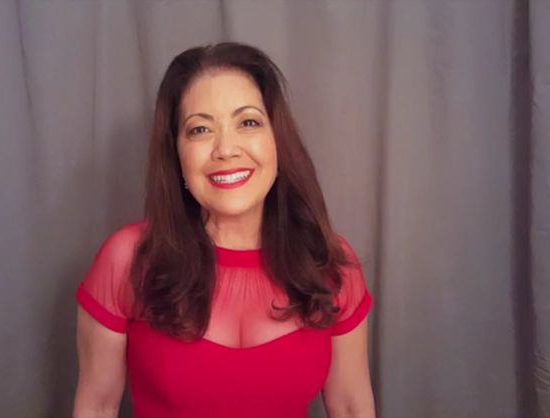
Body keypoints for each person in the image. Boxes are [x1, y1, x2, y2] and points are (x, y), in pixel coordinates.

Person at [73, 42, 375, 418]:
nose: (225, 149)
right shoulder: (128, 259)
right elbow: (97, 407)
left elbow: (351, 407)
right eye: (200, 129)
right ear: (176, 153)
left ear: (277, 140)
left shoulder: (331, 262)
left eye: (248, 122)